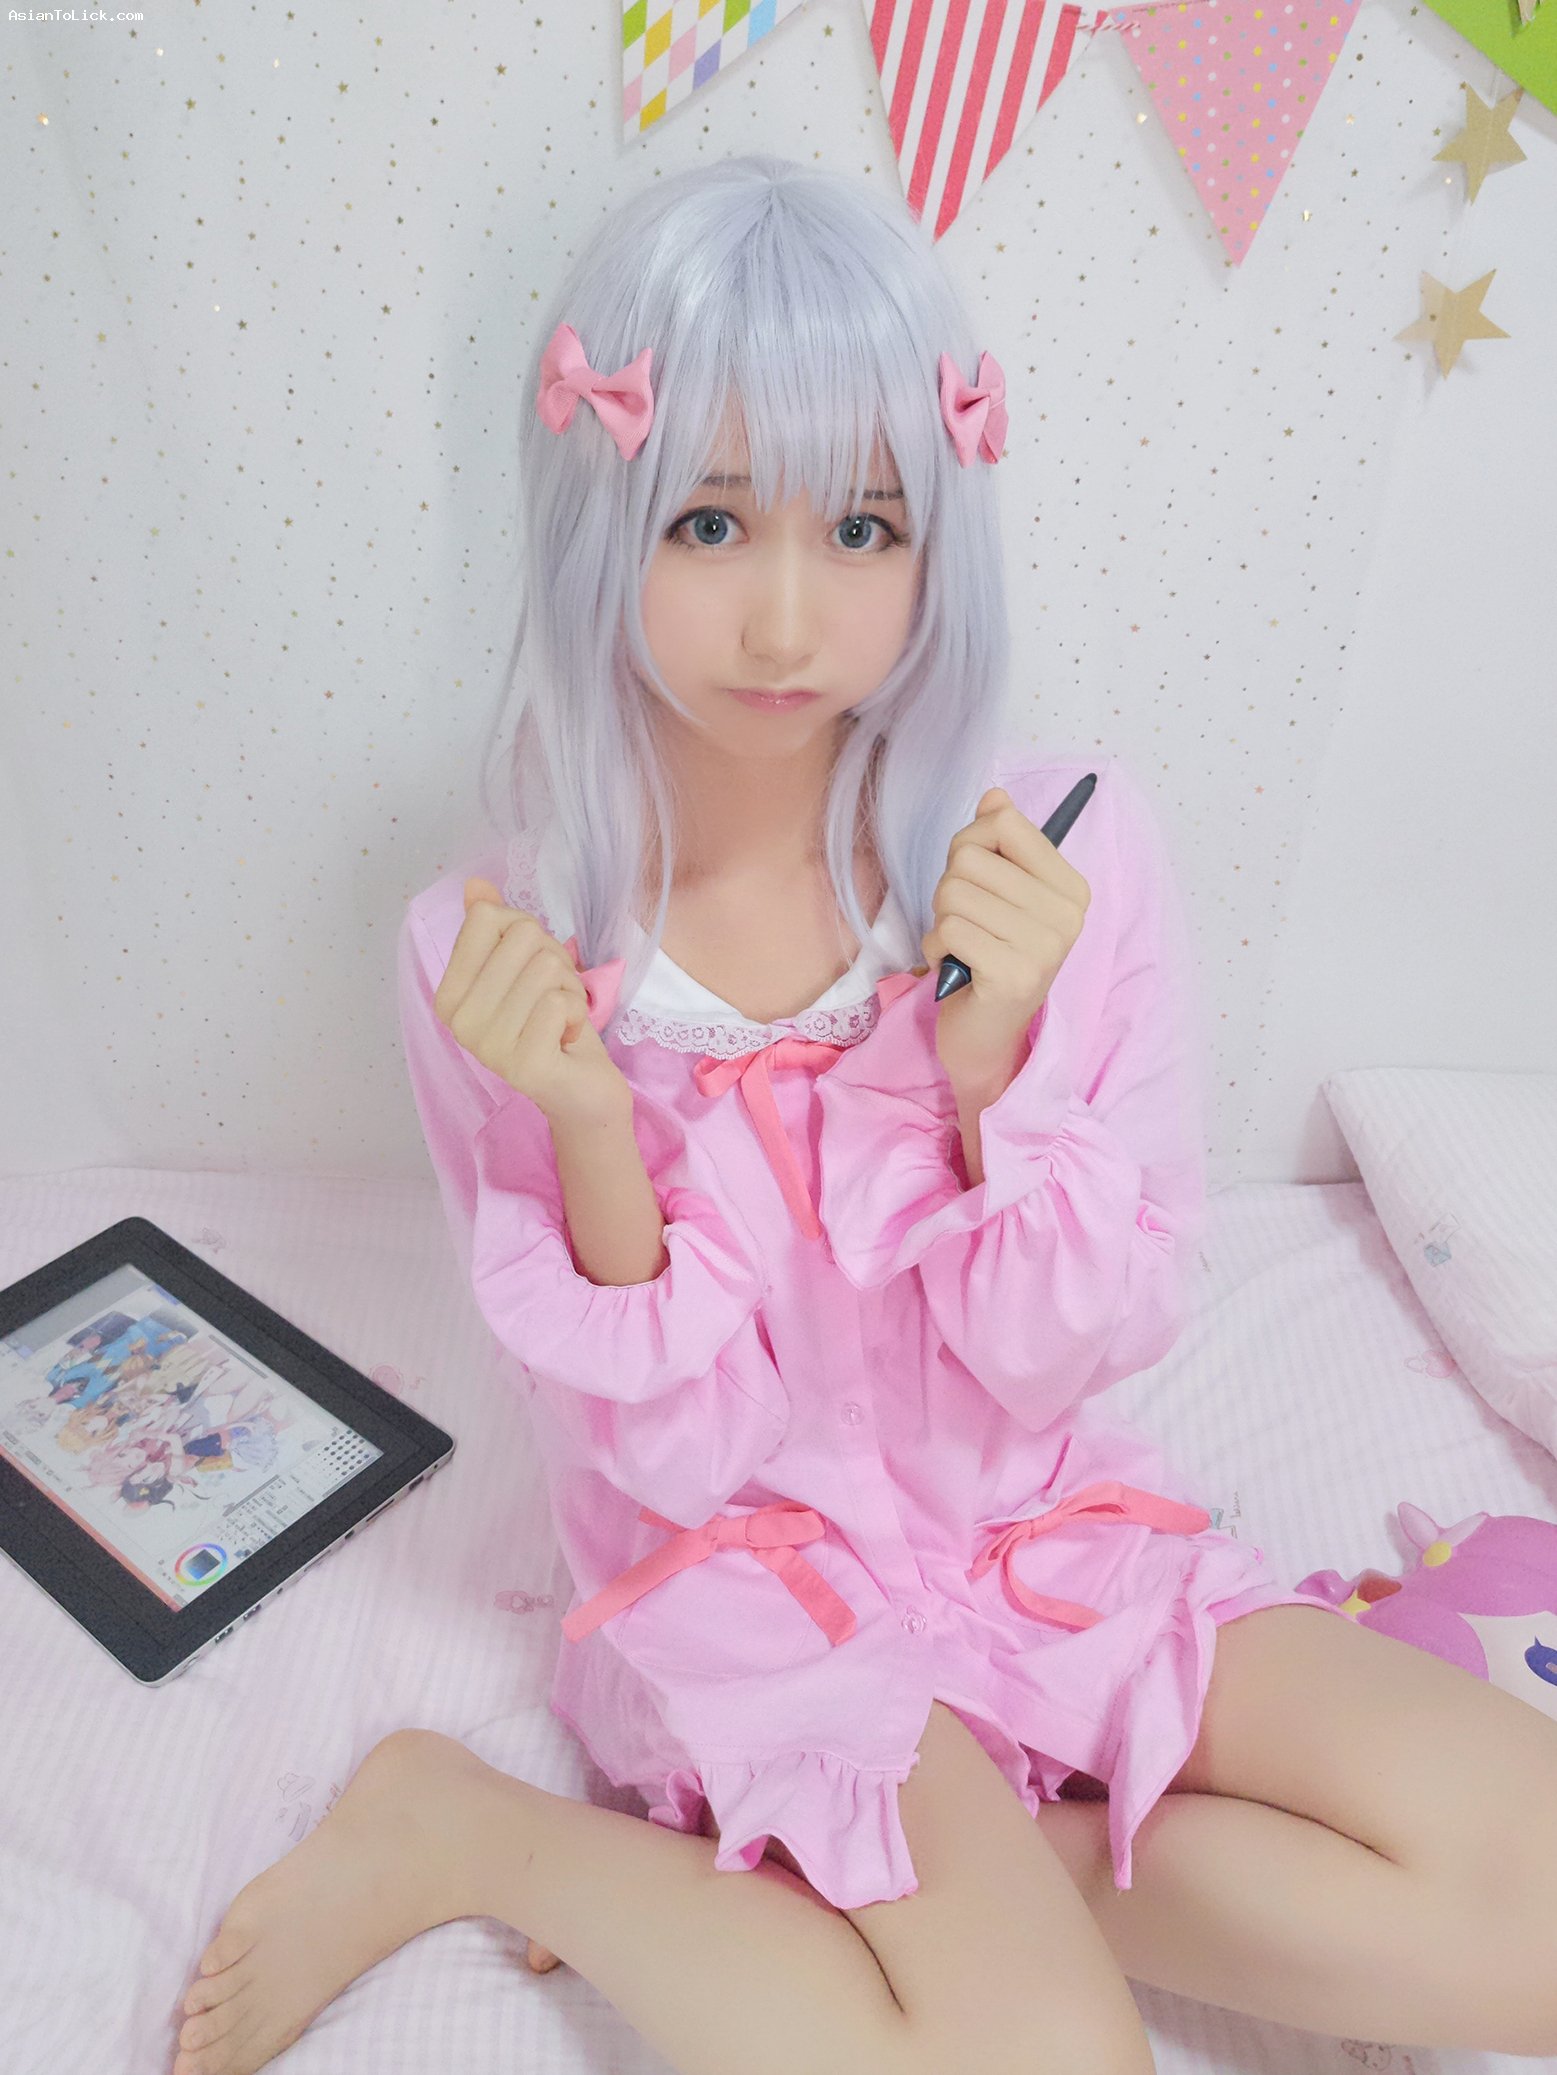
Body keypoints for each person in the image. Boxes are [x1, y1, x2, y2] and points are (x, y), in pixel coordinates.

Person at [172, 154, 1557, 2075]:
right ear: (599, 519)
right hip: (747, 1588)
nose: (784, 619)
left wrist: (989, 1075)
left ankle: (910, 1898)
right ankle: (474, 1830)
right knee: (1048, 2066)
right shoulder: (498, 947)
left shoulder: (1054, 853)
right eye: (709, 520)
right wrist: (588, 1122)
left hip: (1031, 1533)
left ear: (936, 536)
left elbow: (1071, 1347)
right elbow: (665, 1464)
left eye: (860, 527)